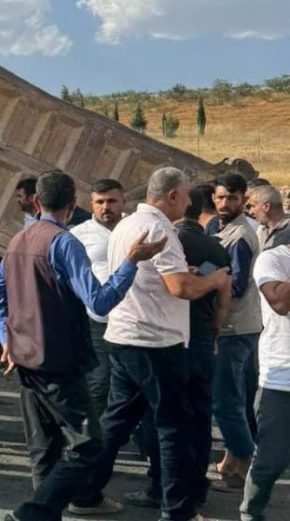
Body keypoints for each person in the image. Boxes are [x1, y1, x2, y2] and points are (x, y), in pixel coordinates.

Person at [0, 170, 162, 521]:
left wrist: (6, 338)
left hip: (26, 361)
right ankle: (31, 514)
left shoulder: (19, 239)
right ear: (73, 205)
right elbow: (99, 303)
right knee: (88, 445)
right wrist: (131, 263)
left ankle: (40, 515)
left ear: (36, 201)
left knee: (44, 450)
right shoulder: (64, 243)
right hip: (58, 362)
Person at [79, 167, 230, 521]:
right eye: (187, 194)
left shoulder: (127, 224)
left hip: (125, 334)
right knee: (173, 426)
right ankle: (178, 511)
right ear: (173, 195)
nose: (191, 201)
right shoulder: (160, 228)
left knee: (116, 422)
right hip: (155, 342)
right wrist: (214, 280)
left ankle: (86, 492)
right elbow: (182, 289)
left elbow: (155, 278)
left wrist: (185, 276)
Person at [125, 186, 233, 511]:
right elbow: (225, 297)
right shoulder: (216, 248)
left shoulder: (164, 240)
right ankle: (196, 487)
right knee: (200, 416)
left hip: (167, 336)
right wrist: (215, 329)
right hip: (201, 337)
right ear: (201, 210)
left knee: (163, 415)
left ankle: (159, 486)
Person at [209, 173, 263, 492]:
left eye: (231, 197)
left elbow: (238, 287)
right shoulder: (219, 228)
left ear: (244, 199)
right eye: (219, 197)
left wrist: (206, 280)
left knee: (226, 401)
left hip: (235, 328)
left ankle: (242, 466)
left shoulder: (241, 235)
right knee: (235, 397)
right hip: (234, 327)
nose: (224, 203)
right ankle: (233, 459)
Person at [239, 241, 290, 521]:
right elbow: (280, 303)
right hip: (282, 380)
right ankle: (250, 514)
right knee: (271, 461)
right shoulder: (273, 260)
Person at [69, 178, 126, 419]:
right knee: (98, 381)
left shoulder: (134, 229)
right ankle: (92, 437)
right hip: (96, 320)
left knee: (129, 382)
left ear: (122, 202)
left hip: (131, 318)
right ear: (91, 204)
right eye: (100, 202)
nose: (106, 207)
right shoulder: (78, 235)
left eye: (111, 201)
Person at [249, 185, 290, 251]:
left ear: (266, 206)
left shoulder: (287, 230)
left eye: (253, 206)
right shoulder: (261, 229)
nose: (250, 212)